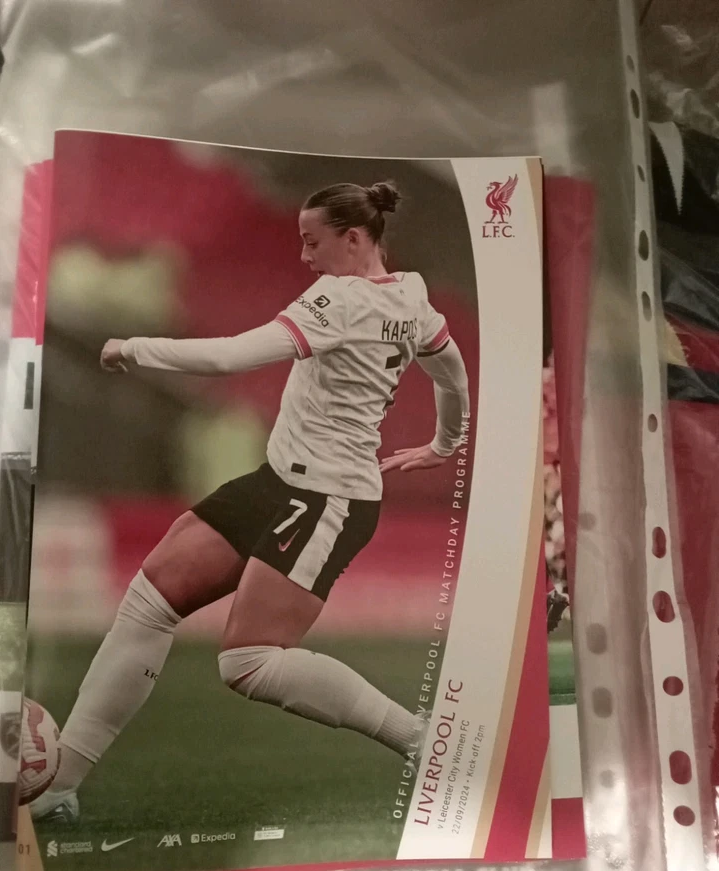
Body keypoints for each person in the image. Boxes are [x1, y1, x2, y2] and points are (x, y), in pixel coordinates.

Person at [32, 180, 471, 824]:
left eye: (313, 241)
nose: (304, 256)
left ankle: (424, 742)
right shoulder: (412, 298)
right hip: (278, 482)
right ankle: (63, 782)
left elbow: (234, 356)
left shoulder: (341, 299)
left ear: (354, 238)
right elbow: (452, 369)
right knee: (150, 601)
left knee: (248, 662)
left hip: (328, 496)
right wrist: (445, 440)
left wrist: (134, 348)